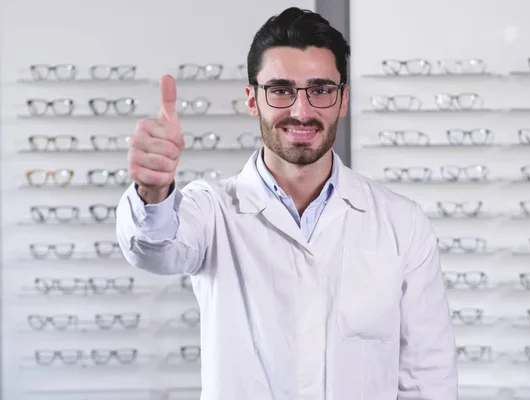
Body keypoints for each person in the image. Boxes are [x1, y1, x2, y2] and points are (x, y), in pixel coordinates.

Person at [116, 6, 457, 400]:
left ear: (342, 99)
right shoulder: (212, 210)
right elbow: (155, 248)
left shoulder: (401, 222)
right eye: (280, 90)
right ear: (252, 100)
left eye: (321, 90)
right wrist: (154, 190)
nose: (301, 110)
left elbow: (428, 376)